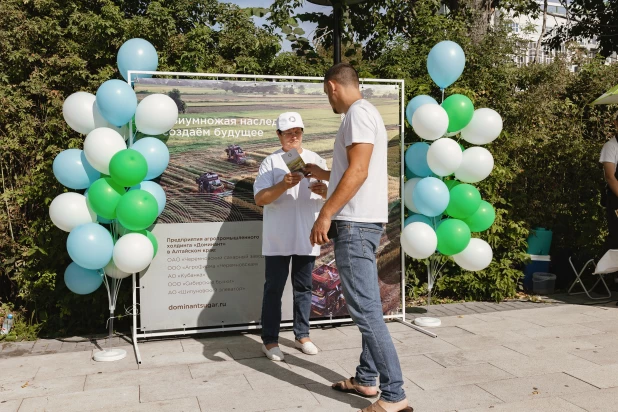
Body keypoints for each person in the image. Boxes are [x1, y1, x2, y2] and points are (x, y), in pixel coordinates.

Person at [305, 63, 413, 412]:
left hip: (355, 225)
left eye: (327, 94)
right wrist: (324, 175)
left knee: (365, 310)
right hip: (363, 223)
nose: (329, 101)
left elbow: (359, 170)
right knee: (369, 307)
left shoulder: (356, 114)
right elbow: (350, 169)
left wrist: (326, 212)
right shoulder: (365, 114)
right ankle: (367, 379)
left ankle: (394, 396)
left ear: (333, 86)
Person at [253, 112, 328, 361]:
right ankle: (270, 340)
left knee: (304, 287)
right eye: (288, 133)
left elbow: (333, 193)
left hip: (307, 234)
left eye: (297, 132)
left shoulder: (315, 160)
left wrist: (324, 189)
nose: (294, 137)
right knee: (273, 288)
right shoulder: (270, 162)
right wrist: (283, 185)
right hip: (278, 237)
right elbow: (260, 199)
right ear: (279, 135)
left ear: (302, 133)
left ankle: (302, 335)